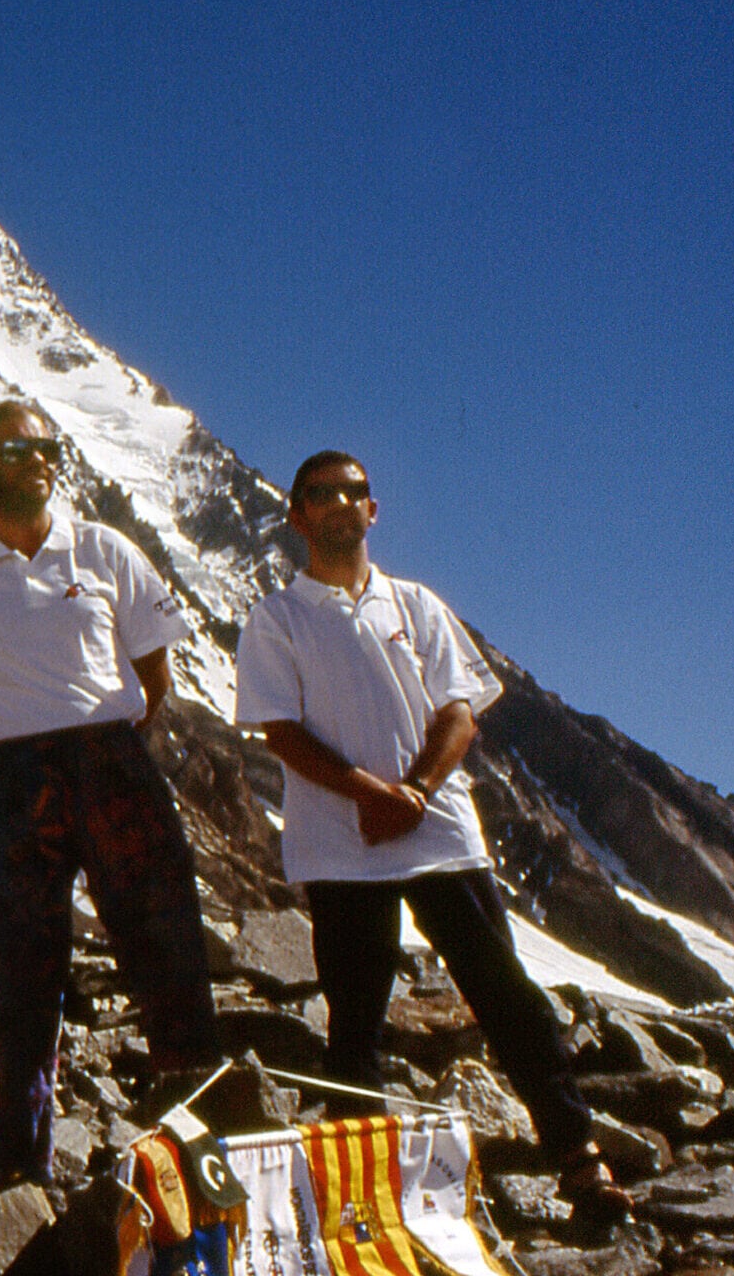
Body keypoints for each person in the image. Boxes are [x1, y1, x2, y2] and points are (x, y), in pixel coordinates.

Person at [235, 449, 631, 1220]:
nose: (341, 505)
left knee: (503, 992)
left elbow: (461, 708)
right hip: (342, 842)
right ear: (298, 515)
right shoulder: (276, 618)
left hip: (438, 829)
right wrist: (368, 795)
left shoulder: (414, 604)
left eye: (355, 492)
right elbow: (277, 728)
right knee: (355, 1012)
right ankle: (361, 1190)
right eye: (323, 494)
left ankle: (580, 1160)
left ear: (373, 511)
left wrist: (413, 792)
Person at [0, 400, 222, 1186]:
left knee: (164, 936)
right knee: (20, 957)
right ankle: (22, 1143)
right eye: (18, 448)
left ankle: (197, 1135)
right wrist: (11, 751)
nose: (40, 458)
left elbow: (155, 672)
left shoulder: (105, 550)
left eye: (47, 445)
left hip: (112, 758)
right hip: (15, 776)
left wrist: (107, 744)